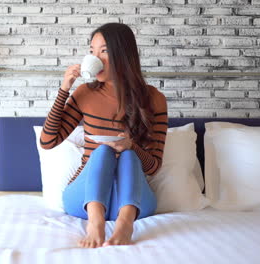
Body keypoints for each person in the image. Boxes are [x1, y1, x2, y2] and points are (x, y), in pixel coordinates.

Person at [40, 23, 168, 248]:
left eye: (104, 51)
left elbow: (154, 167)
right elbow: (48, 141)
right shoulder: (85, 93)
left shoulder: (154, 98)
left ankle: (125, 224)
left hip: (131, 201)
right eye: (92, 51)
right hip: (84, 199)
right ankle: (96, 222)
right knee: (104, 150)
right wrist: (64, 89)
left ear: (123, 55)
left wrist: (132, 147)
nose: (96, 57)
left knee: (129, 156)